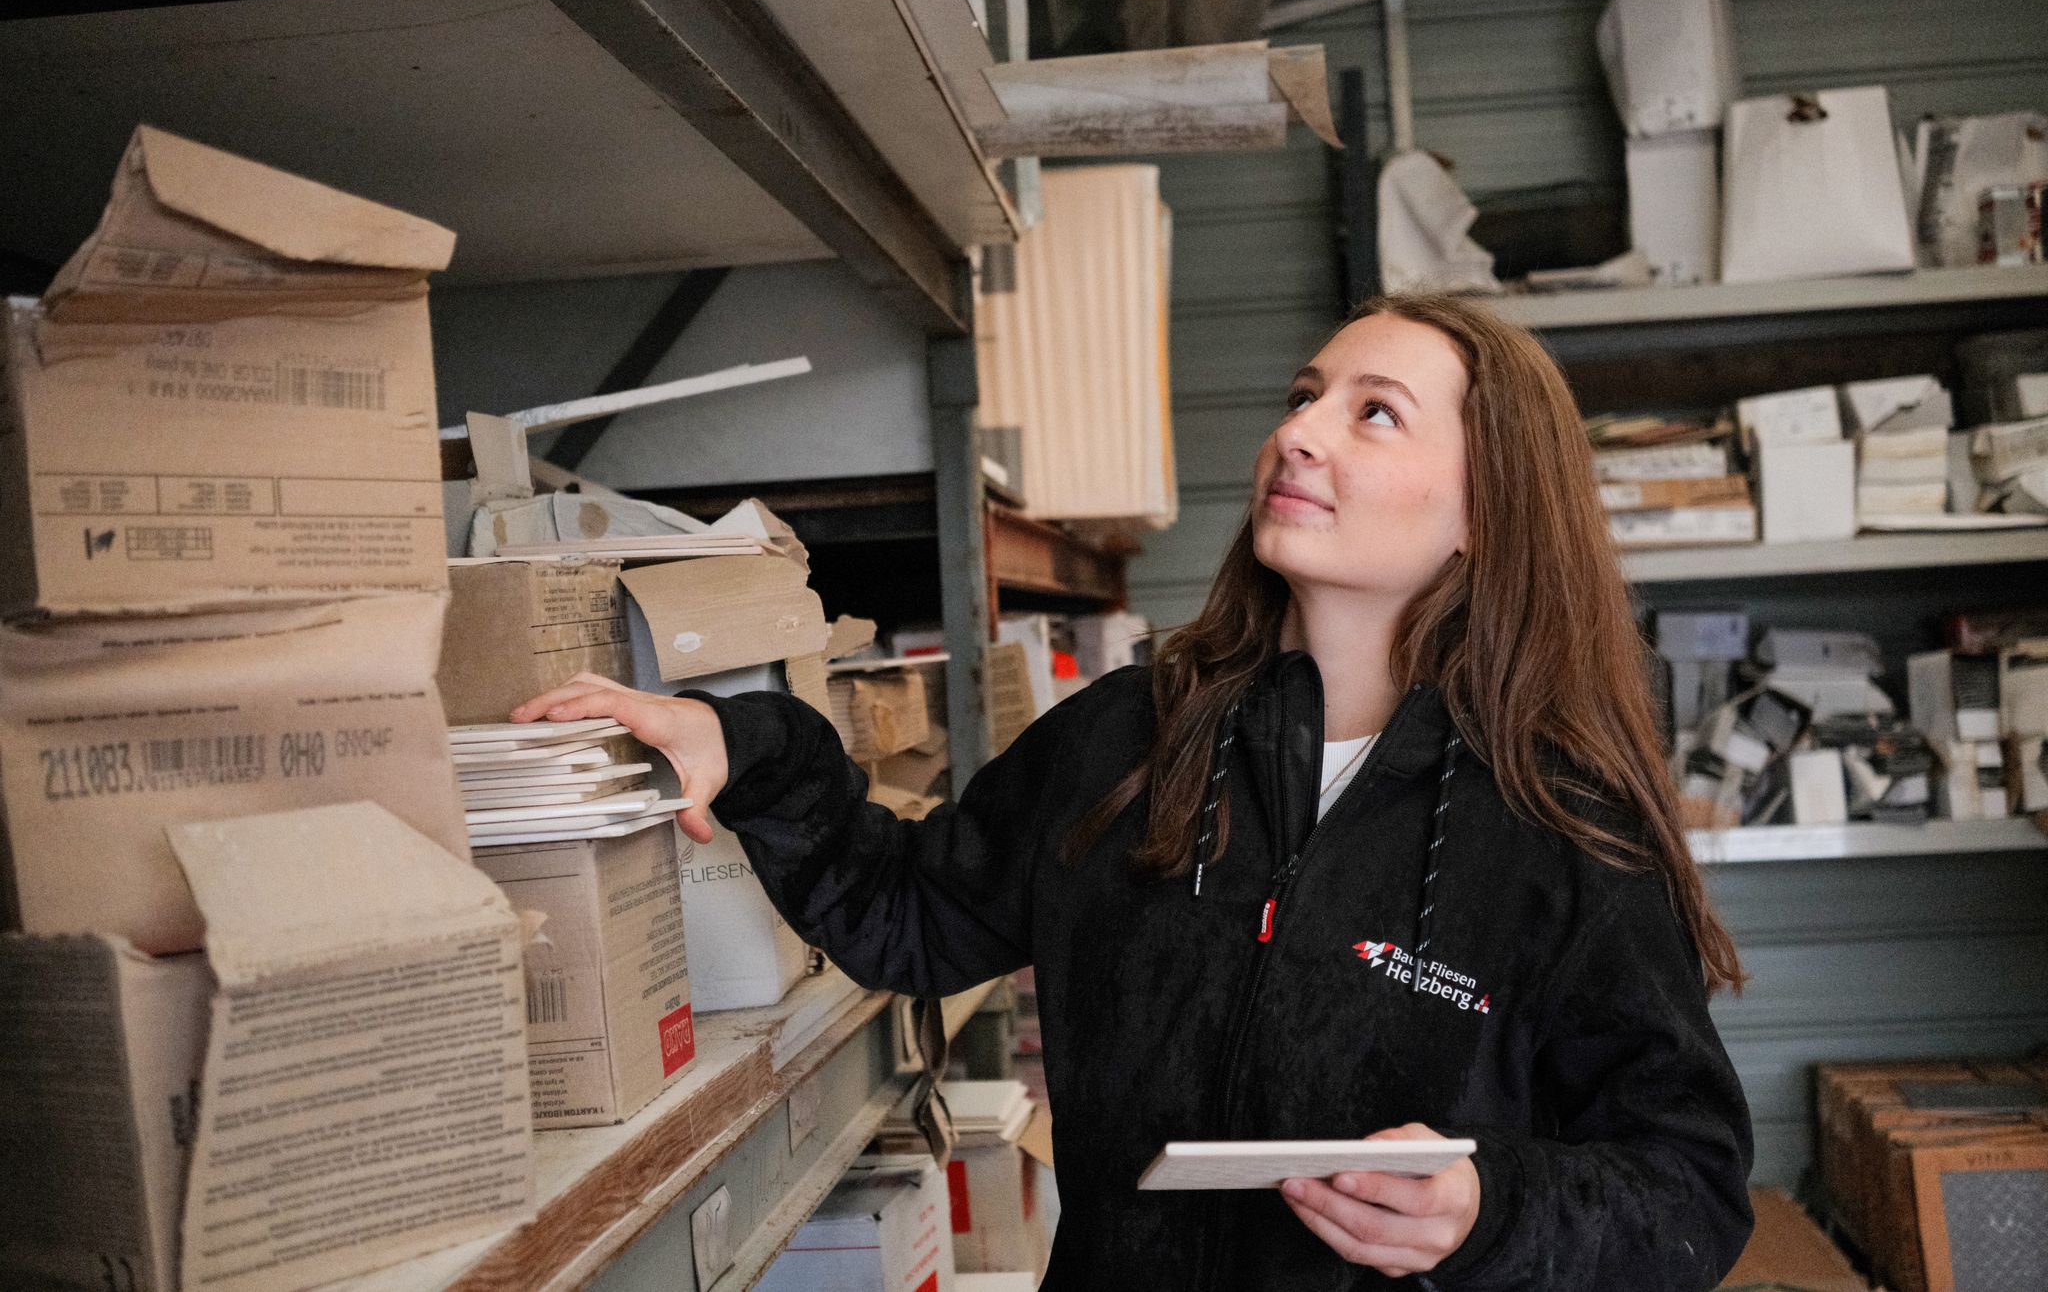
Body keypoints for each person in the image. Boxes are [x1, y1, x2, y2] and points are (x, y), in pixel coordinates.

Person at [513, 293, 1755, 1291]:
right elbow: (912, 916)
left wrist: (1487, 1214)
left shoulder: (1558, 829)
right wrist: (751, 750)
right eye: (1303, 397)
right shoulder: (1138, 734)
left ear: (1486, 509)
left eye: (1374, 414)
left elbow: (1685, 1190)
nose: (1300, 432)